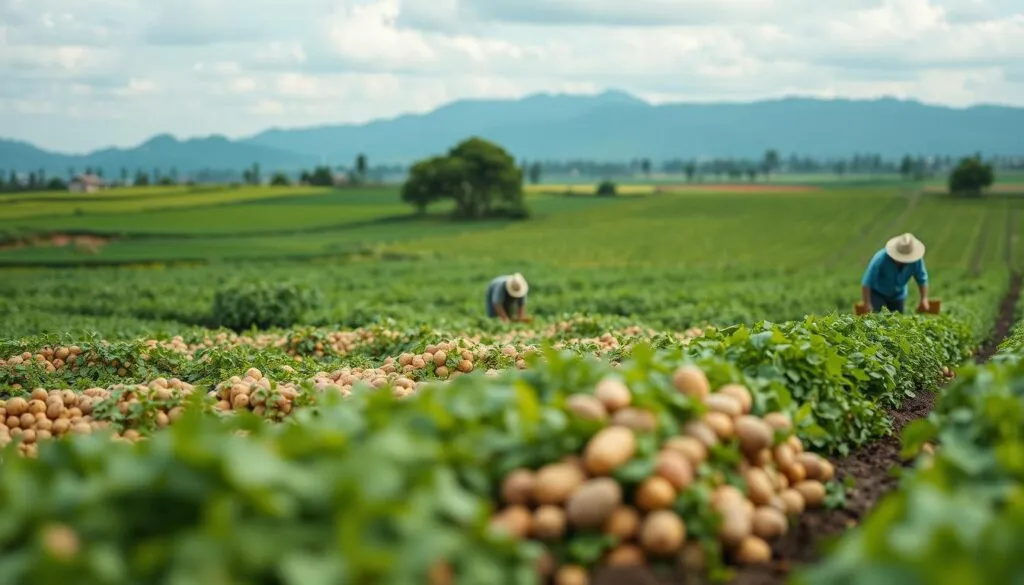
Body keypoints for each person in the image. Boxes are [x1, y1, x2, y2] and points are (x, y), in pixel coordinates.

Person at [861, 233, 930, 314]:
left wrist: (924, 299)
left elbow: (922, 279)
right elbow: (867, 281)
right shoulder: (880, 258)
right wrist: (867, 303)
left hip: (898, 295)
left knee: (897, 320)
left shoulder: (916, 261)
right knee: (878, 319)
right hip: (878, 294)